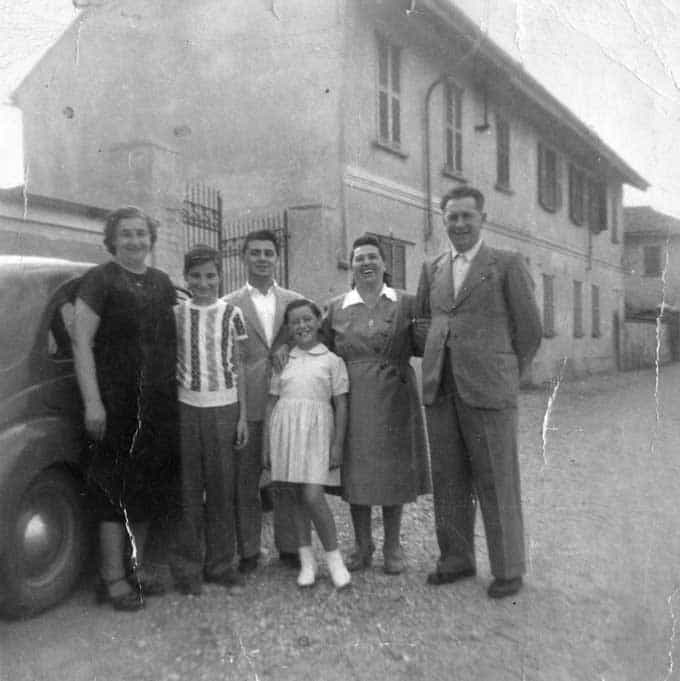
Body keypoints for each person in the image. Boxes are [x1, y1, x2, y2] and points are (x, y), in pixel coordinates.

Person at [414, 185, 542, 599]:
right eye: (452, 216)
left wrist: (505, 373)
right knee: (448, 478)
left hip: (489, 389)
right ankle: (456, 559)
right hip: (441, 387)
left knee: (496, 479)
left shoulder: (505, 264)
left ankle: (508, 568)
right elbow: (422, 323)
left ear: (482, 219)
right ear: (443, 219)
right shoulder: (433, 268)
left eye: (467, 216)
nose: (459, 224)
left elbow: (530, 331)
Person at [72, 206, 179, 611]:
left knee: (148, 487)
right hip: (115, 403)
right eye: (126, 234)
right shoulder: (98, 280)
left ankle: (134, 568)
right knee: (114, 491)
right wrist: (92, 401)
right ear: (113, 240)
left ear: (151, 239)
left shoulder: (162, 283)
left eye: (142, 234)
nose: (135, 241)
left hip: (157, 402)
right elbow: (82, 343)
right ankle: (111, 578)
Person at [322, 235, 430, 575]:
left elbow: (424, 345)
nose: (366, 263)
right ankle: (362, 544)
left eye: (373, 257)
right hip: (353, 399)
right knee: (357, 472)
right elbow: (321, 351)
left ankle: (393, 545)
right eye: (359, 258)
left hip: (396, 397)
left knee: (394, 469)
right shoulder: (336, 307)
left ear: (385, 265)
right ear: (351, 266)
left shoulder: (408, 304)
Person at [223, 229, 305, 571]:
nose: (261, 259)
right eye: (254, 253)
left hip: (286, 400)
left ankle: (290, 547)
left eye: (268, 253)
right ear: (244, 258)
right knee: (246, 478)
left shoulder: (295, 301)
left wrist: (291, 346)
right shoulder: (228, 304)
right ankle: (249, 551)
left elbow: (310, 339)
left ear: (277, 257)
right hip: (248, 402)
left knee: (286, 477)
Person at [171, 245, 249, 595]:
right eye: (197, 276)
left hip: (225, 408)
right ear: (186, 278)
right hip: (188, 407)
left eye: (210, 276)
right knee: (189, 490)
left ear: (220, 277)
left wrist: (243, 416)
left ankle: (221, 564)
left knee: (222, 489)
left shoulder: (232, 313)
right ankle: (188, 567)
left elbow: (241, 366)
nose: (203, 283)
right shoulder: (176, 314)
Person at [263, 299, 351, 589]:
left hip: (316, 435)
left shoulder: (332, 361)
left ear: (318, 321)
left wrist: (337, 444)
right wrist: (266, 444)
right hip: (285, 434)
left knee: (313, 496)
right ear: (288, 329)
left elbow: (340, 405)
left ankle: (334, 559)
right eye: (295, 322)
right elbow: (272, 402)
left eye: (307, 319)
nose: (302, 325)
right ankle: (307, 562)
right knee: (295, 500)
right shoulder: (283, 360)